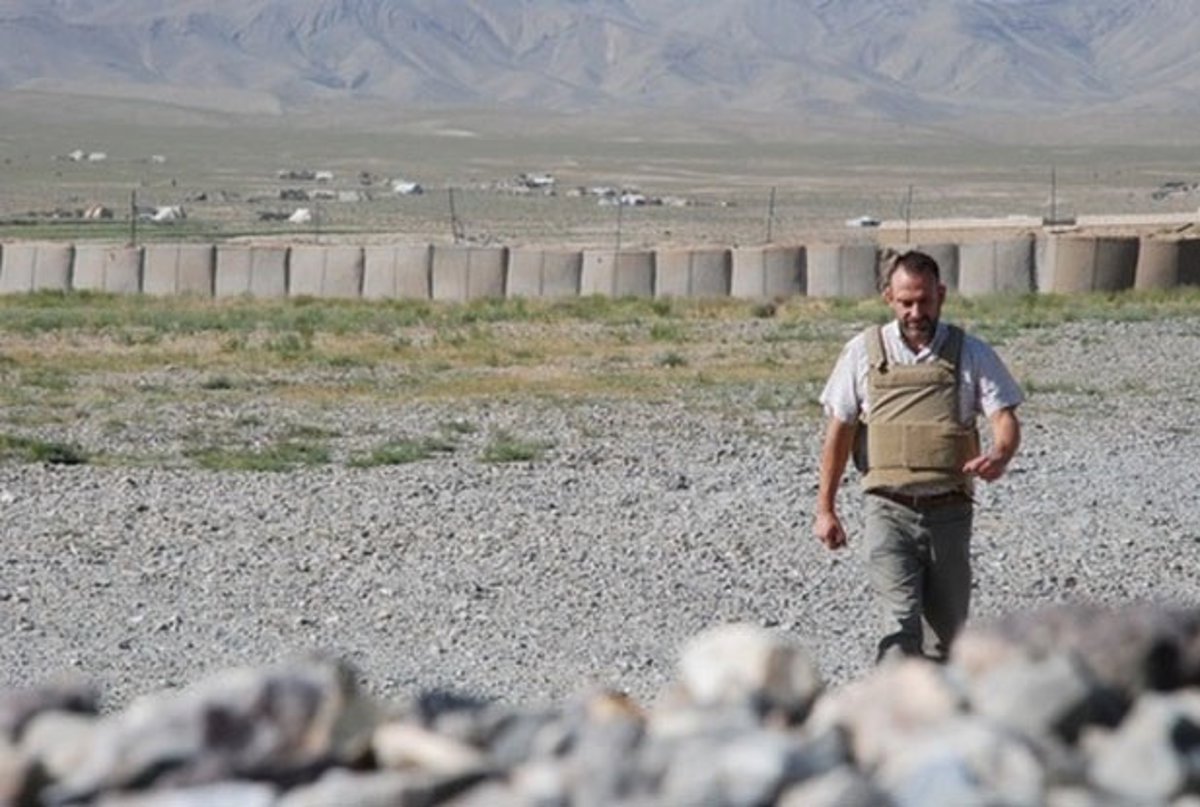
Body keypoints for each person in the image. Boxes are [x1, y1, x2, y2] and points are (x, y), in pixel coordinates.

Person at [812, 250, 1023, 662]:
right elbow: (840, 432)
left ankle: (939, 701)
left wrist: (1000, 454)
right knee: (899, 630)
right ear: (889, 297)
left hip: (950, 513)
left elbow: (1004, 417)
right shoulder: (862, 352)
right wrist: (825, 509)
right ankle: (892, 700)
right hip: (887, 510)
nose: (915, 313)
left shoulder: (970, 353)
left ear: (941, 295)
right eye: (906, 302)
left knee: (946, 643)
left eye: (924, 301)